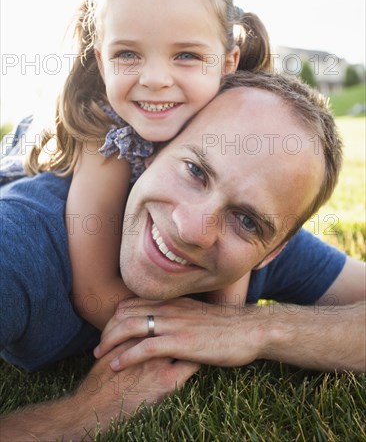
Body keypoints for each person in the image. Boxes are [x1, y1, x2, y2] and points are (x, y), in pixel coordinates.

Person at [1, 71, 365, 440]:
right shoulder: (21, 240)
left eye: (246, 220)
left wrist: (255, 328)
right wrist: (79, 414)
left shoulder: (259, 244)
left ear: (271, 254)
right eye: (195, 171)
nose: (192, 229)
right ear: (152, 152)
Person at [7, 0, 272, 331]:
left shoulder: (234, 129)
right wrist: (182, 337)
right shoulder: (108, 138)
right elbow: (94, 293)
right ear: (101, 61)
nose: (154, 79)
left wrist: (219, 329)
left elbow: (226, 308)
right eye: (128, 54)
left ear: (228, 63)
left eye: (186, 55)